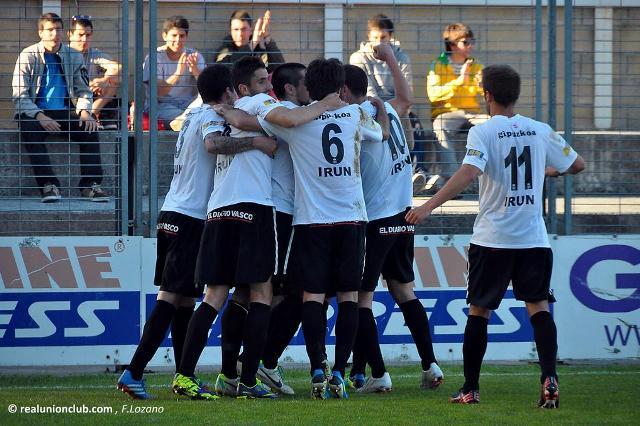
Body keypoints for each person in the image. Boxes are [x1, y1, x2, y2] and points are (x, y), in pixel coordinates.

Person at [406, 65, 586, 407]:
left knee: (479, 312)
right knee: (539, 307)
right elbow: (576, 165)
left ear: (486, 94)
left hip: (493, 239)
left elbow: (469, 172)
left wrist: (428, 206)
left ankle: (470, 389)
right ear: (515, 94)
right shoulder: (538, 129)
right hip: (533, 239)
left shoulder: (484, 132)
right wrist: (539, 172)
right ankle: (549, 376)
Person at [172, 57, 343, 400]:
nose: (270, 88)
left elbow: (220, 138)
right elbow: (290, 119)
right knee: (263, 293)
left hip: (218, 208)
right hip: (255, 206)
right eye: (264, 81)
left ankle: (192, 375)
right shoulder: (263, 104)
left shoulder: (224, 111)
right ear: (245, 87)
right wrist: (327, 103)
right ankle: (250, 379)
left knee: (218, 295)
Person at [116, 64, 247, 400]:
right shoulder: (211, 118)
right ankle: (134, 371)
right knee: (171, 297)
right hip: (189, 218)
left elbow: (180, 126)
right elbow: (213, 145)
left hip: (172, 211)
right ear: (229, 91)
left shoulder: (192, 114)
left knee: (185, 299)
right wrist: (255, 143)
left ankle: (182, 376)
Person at [258, 58, 383, 399]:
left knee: (311, 296)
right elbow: (380, 134)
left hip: (312, 220)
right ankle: (340, 372)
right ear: (341, 86)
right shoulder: (356, 114)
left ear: (309, 87)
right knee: (348, 297)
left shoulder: (296, 122)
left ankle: (317, 368)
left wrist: (317, 107)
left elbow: (264, 118)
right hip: (352, 218)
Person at [342, 43, 444, 394]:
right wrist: (389, 61)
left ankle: (379, 374)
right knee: (404, 291)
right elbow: (406, 98)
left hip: (377, 219)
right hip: (404, 215)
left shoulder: (357, 118)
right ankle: (430, 365)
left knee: (359, 298)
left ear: (343, 92)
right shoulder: (386, 109)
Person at [12, 12, 106, 203]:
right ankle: (49, 185)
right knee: (28, 128)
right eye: (50, 30)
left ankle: (91, 185)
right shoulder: (28, 56)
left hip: (64, 112)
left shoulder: (73, 55)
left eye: (58, 29)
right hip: (34, 113)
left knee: (89, 128)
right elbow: (19, 96)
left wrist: (85, 111)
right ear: (41, 32)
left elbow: (83, 90)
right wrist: (40, 116)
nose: (55, 34)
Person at [425, 22, 489, 193]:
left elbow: (484, 94)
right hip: (447, 113)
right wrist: (458, 82)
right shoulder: (438, 64)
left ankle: (495, 178)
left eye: (471, 42)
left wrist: (482, 87)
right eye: (465, 42)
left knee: (493, 124)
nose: (470, 46)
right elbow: (433, 95)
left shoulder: (476, 65)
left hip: (472, 112)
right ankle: (451, 181)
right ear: (452, 44)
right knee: (440, 125)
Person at [143, 16, 205, 128]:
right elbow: (158, 92)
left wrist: (196, 71)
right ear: (164, 36)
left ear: (186, 37)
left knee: (206, 102)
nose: (178, 40)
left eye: (182, 36)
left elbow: (207, 89)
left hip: (189, 105)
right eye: (174, 35)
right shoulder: (154, 57)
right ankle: (187, 122)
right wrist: (178, 72)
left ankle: (184, 121)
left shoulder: (195, 56)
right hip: (162, 106)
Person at [68, 15, 121, 129]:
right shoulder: (63, 53)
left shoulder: (93, 53)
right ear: (70, 35)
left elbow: (117, 66)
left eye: (88, 35)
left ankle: (93, 112)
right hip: (70, 98)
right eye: (80, 35)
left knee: (114, 79)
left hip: (91, 98)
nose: (84, 40)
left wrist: (104, 80)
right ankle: (92, 115)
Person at [214, 9, 285, 73]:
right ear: (230, 31)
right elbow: (223, 70)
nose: (240, 34)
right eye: (236, 29)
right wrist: (252, 44)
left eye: (244, 29)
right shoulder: (225, 50)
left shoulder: (258, 51)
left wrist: (267, 36)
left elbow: (279, 69)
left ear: (251, 30)